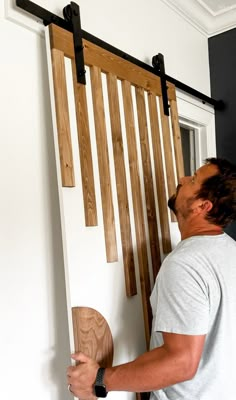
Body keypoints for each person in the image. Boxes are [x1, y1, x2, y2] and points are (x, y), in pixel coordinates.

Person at [67, 157, 236, 400]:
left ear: (202, 206)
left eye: (193, 179)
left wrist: (100, 380)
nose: (182, 179)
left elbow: (181, 362)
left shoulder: (186, 264)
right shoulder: (231, 252)